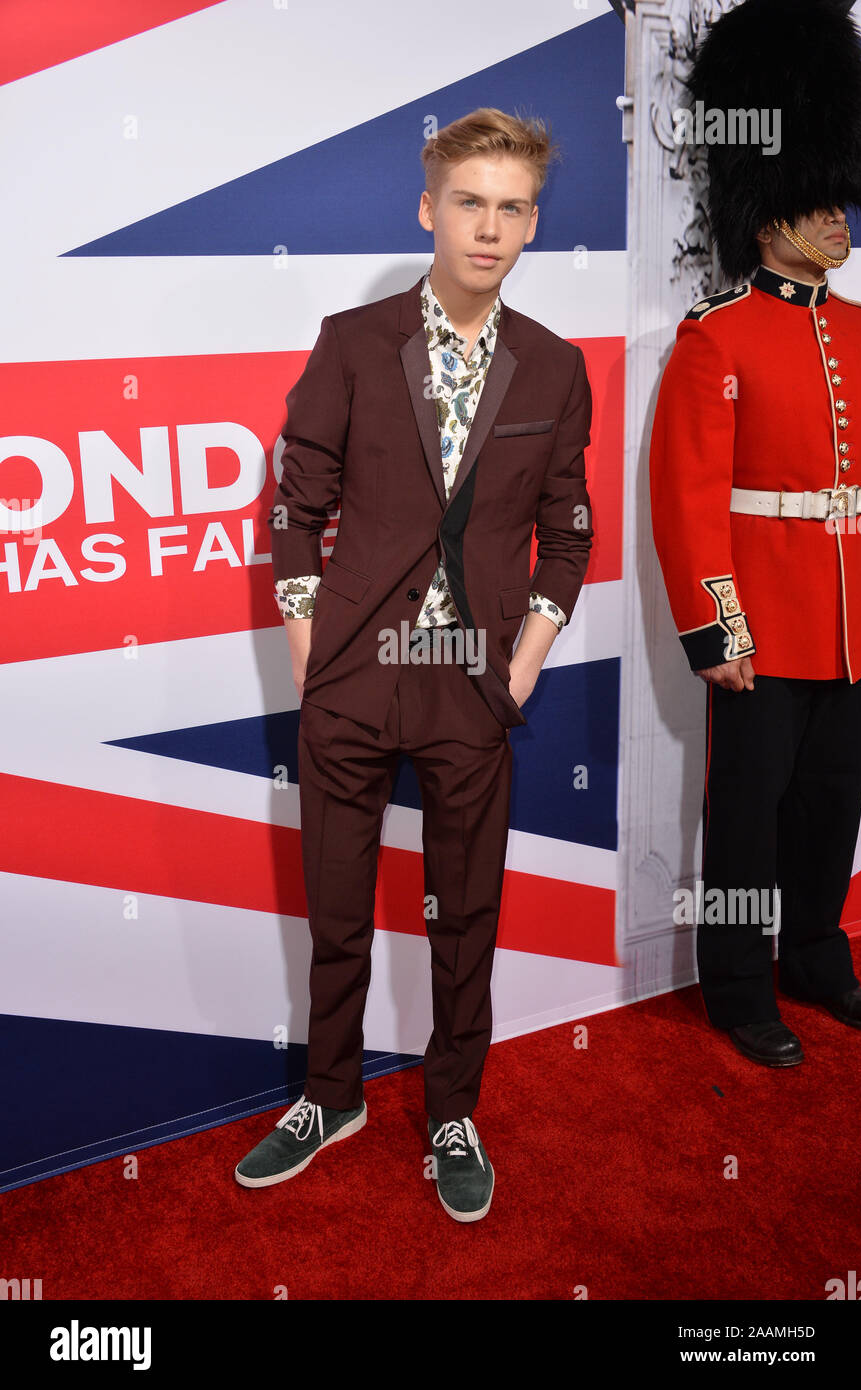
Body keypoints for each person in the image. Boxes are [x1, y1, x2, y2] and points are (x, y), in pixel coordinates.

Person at [234, 108, 593, 1219]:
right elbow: (296, 508)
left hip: (472, 683)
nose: (489, 228)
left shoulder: (554, 365)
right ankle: (328, 1095)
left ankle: (450, 1111)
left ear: (533, 221)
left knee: (464, 915)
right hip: (351, 673)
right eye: (469, 202)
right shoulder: (352, 340)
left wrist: (522, 667)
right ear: (428, 208)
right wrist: (312, 651)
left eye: (512, 207)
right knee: (336, 906)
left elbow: (568, 531)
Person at [649, 0, 861, 1066]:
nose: (839, 220)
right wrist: (716, 627)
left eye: (840, 202)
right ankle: (738, 982)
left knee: (832, 803)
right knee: (745, 813)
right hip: (761, 627)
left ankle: (817, 954)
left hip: (847, 623)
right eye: (817, 202)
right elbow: (686, 498)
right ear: (766, 212)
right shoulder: (715, 338)